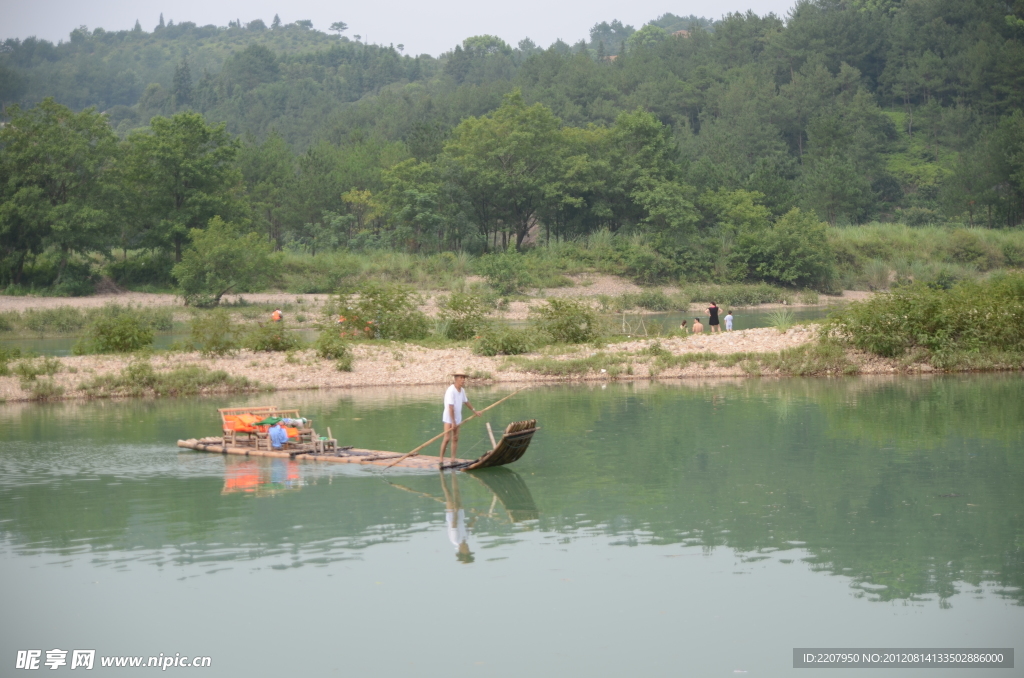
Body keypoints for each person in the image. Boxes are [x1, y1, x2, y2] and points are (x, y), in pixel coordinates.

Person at [439, 373, 477, 466]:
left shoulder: (462, 390)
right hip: (449, 418)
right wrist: (453, 422)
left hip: (457, 418)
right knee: (447, 438)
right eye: (461, 378)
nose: (463, 380)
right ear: (456, 379)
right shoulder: (450, 390)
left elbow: (466, 401)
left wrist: (474, 411)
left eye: (464, 378)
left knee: (455, 438)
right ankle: (441, 459)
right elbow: (450, 407)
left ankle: (453, 459)